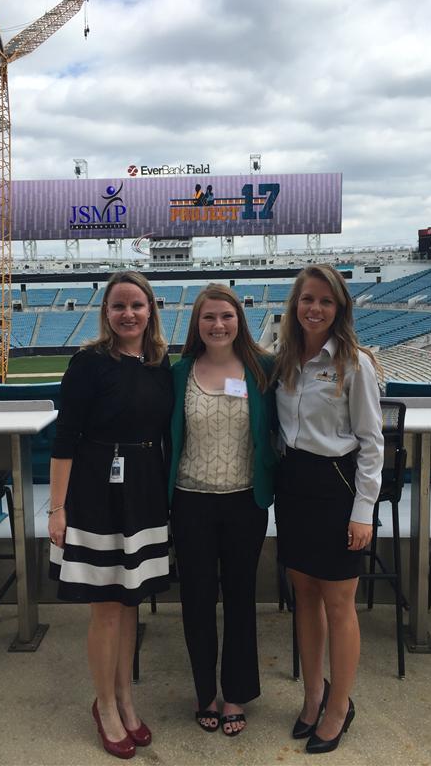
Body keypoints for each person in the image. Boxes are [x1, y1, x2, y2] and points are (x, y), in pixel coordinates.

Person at [48, 271, 173, 760]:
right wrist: (57, 509)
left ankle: (124, 697)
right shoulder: (87, 364)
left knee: (130, 603)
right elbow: (64, 440)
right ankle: (104, 704)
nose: (128, 314)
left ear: (150, 311)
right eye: (119, 306)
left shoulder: (161, 365)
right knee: (105, 608)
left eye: (137, 305)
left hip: (143, 490)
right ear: (107, 312)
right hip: (96, 490)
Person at [274, 265, 383, 755]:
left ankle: (340, 705)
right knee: (305, 597)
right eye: (307, 299)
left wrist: (363, 510)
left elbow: (371, 443)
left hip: (336, 488)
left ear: (339, 309)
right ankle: (313, 693)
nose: (314, 309)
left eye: (325, 301)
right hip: (294, 487)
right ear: (295, 305)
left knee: (339, 604)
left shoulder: (355, 364)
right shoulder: (284, 360)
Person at [168, 284, 278, 737]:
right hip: (190, 501)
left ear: (239, 321)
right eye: (209, 317)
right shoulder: (178, 373)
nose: (218, 325)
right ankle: (203, 692)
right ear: (197, 323)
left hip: (244, 501)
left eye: (226, 316)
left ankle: (235, 692)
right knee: (196, 601)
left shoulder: (262, 369)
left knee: (239, 599)